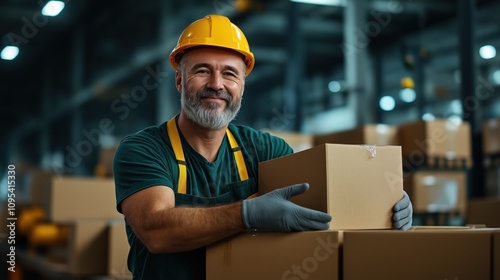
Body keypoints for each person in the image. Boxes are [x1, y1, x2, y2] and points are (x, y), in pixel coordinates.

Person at [113, 14, 413, 280]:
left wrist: (383, 204)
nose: (216, 84)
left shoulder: (265, 150)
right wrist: (247, 214)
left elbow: (322, 202)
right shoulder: (143, 149)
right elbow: (156, 231)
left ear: (242, 85)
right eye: (202, 71)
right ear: (179, 81)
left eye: (230, 73)